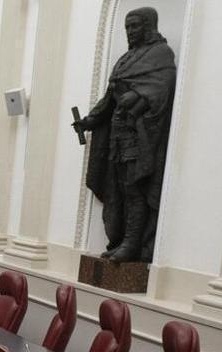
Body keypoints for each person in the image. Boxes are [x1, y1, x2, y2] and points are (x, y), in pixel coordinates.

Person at [73, 7, 176, 263]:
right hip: (117, 138)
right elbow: (109, 98)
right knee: (118, 189)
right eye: (127, 27)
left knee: (135, 190)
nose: (130, 31)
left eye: (135, 26)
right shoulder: (125, 59)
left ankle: (132, 244)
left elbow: (162, 88)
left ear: (149, 25)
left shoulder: (160, 54)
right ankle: (120, 240)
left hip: (138, 137)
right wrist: (89, 121)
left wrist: (138, 97)